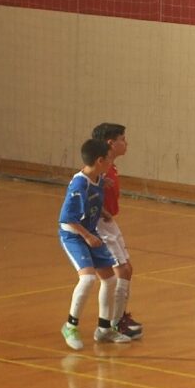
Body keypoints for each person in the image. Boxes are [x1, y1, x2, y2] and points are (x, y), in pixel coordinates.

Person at [58, 139, 131, 350]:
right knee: (88, 278)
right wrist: (88, 237)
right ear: (100, 160)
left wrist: (103, 211)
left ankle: (104, 329)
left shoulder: (98, 178)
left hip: (90, 233)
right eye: (109, 158)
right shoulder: (79, 185)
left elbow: (92, 205)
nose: (111, 162)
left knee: (109, 280)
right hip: (74, 235)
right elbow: (67, 219)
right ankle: (70, 325)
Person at [91, 123, 142, 339]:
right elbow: (85, 193)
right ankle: (113, 323)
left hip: (110, 223)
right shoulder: (98, 168)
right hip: (100, 225)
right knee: (120, 271)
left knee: (127, 269)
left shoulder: (111, 166)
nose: (126, 143)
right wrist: (101, 210)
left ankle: (119, 316)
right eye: (123, 138)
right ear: (111, 143)